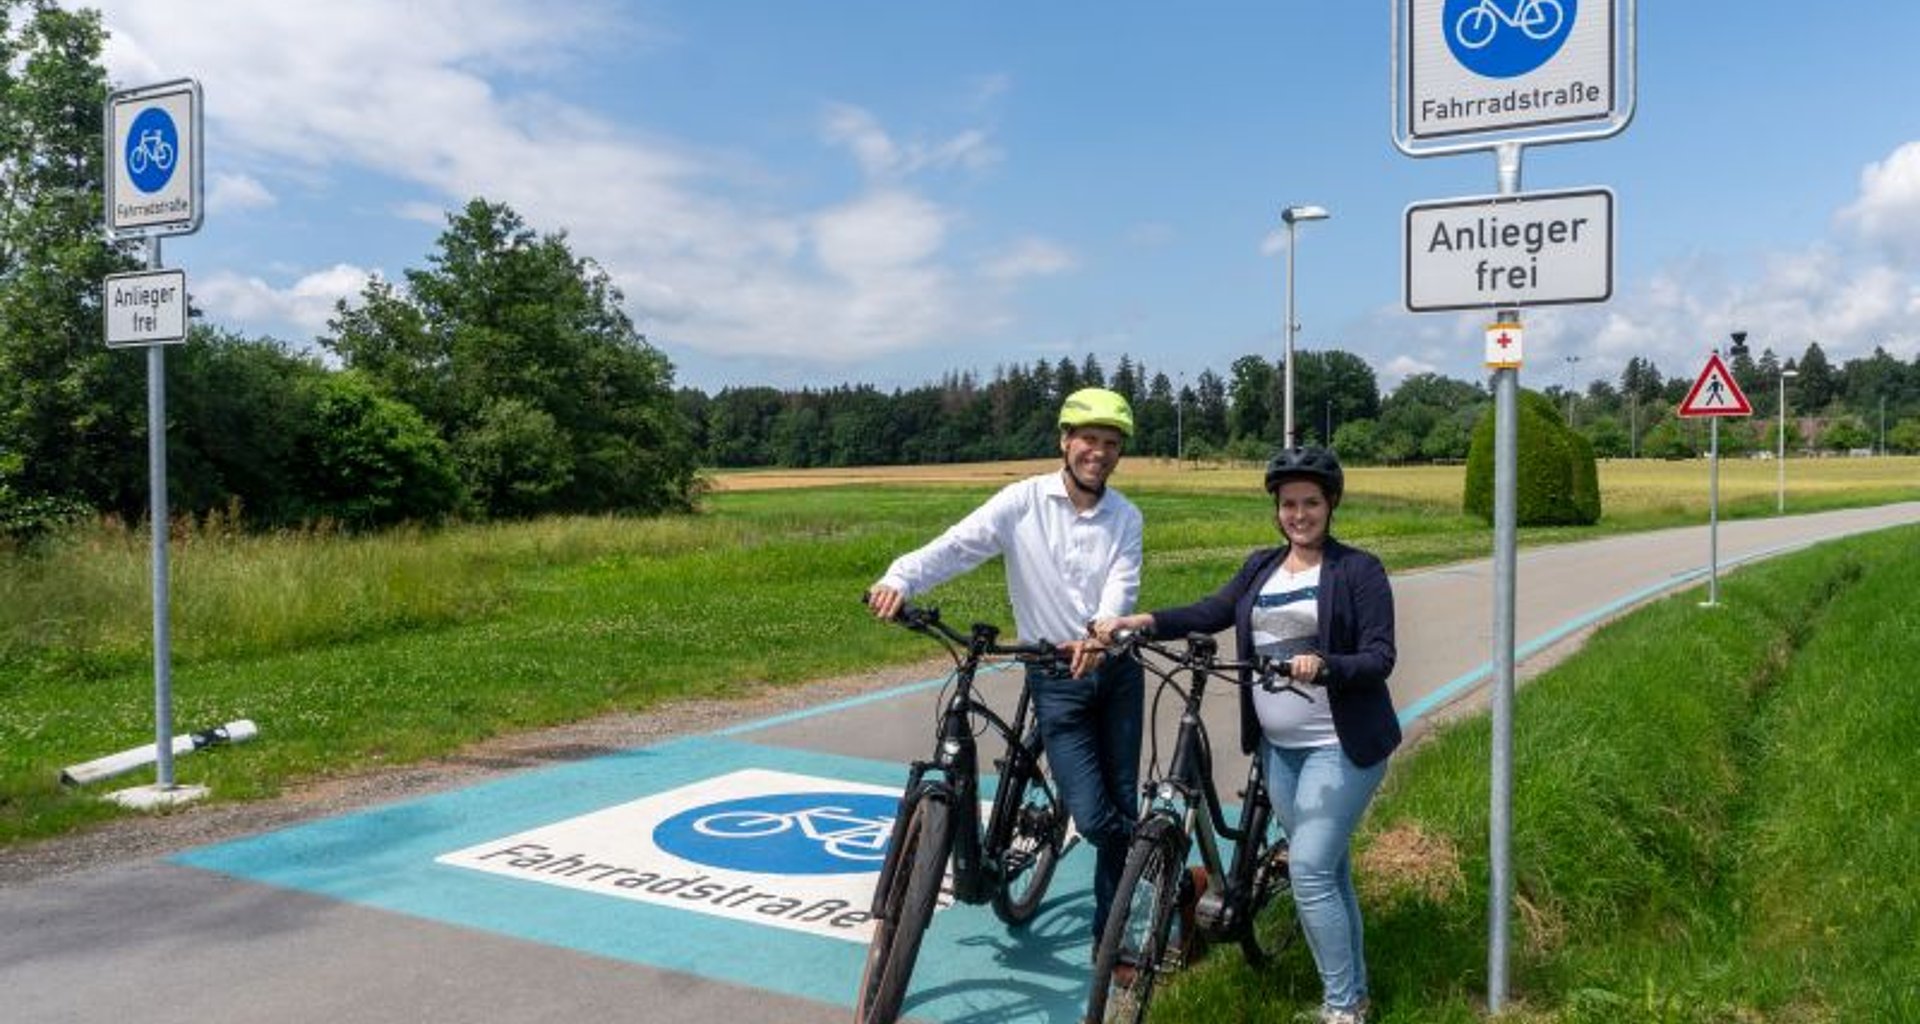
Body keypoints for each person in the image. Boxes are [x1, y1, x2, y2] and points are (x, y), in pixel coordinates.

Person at [1093, 446, 1397, 1024]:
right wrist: (1145, 622)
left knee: (1309, 870)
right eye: (1288, 504)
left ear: (1331, 504)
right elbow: (1211, 610)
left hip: (1340, 746)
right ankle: (1355, 993)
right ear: (1276, 509)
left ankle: (1342, 1010)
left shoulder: (1359, 570)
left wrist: (1324, 664)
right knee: (1328, 872)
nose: (1299, 515)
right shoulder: (1261, 567)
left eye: (1311, 503)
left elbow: (1380, 656)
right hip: (1278, 752)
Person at [866, 387, 1146, 945]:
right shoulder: (1022, 501)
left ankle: (1113, 937)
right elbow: (958, 545)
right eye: (1089, 439)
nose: (1099, 452)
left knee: (1118, 805)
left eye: (1111, 444)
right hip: (1055, 677)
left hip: (1115, 671)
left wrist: (1101, 631)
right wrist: (901, 578)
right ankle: (1147, 848)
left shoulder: (1125, 516)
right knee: (1095, 821)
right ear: (1065, 441)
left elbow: (1122, 584)